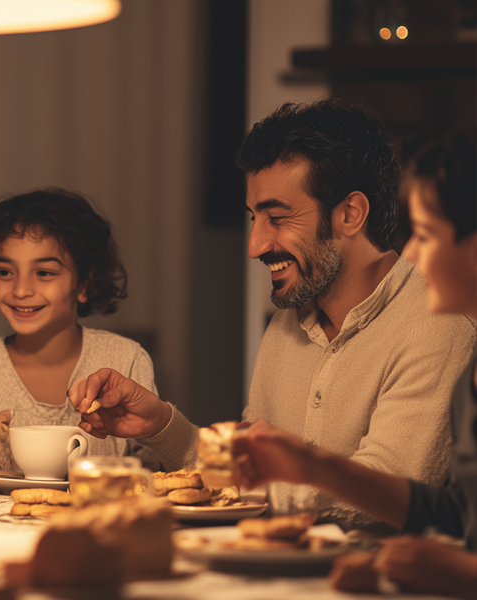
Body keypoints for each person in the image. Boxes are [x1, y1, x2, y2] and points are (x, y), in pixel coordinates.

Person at [68, 100, 476, 527]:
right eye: (253, 218)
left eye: (276, 218)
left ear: (350, 214)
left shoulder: (437, 324)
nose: (255, 246)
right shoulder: (289, 320)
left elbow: (381, 496)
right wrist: (160, 425)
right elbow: (245, 477)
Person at [231, 132, 476, 598]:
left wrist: (464, 574)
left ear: (350, 214)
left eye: (424, 235)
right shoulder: (286, 325)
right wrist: (308, 465)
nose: (413, 256)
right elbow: (449, 514)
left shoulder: (444, 330)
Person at [0, 189, 158, 473]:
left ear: (84, 283)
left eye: (44, 273)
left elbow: (156, 468)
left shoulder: (126, 359)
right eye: (4, 272)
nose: (21, 290)